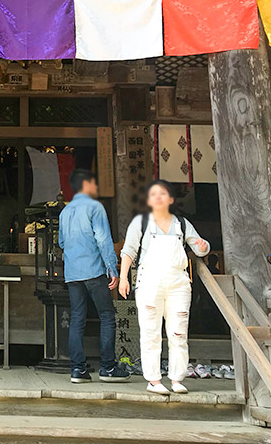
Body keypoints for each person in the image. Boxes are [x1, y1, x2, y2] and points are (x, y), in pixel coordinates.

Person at [118, 180, 209, 395]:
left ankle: (177, 378)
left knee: (179, 331)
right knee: (150, 332)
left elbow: (199, 247)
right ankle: (154, 379)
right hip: (149, 281)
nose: (158, 197)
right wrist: (124, 278)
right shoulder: (140, 223)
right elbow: (128, 250)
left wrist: (203, 246)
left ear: (170, 199)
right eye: (153, 194)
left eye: (162, 193)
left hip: (178, 282)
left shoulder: (182, 224)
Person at [58, 168, 130, 384]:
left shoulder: (64, 212)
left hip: (72, 273)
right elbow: (104, 240)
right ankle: (107, 367)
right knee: (107, 316)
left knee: (77, 319)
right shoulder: (94, 207)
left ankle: (78, 370)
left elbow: (61, 243)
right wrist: (112, 269)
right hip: (94, 270)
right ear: (87, 184)